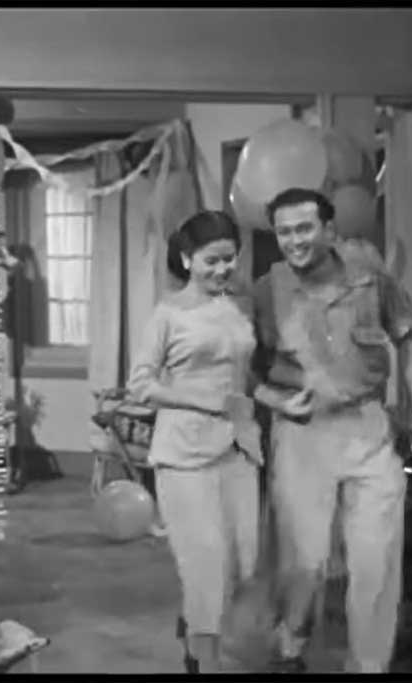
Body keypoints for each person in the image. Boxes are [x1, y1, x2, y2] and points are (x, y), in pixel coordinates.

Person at [251, 188, 412, 673]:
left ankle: (368, 664)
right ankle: (291, 643)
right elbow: (239, 368)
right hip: (302, 434)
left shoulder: (370, 278)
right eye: (284, 232)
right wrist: (272, 398)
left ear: (329, 230)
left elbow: (409, 336)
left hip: (368, 428)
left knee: (376, 562)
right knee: (305, 564)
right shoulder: (266, 291)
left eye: (304, 228)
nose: (294, 241)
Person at [127, 210, 262, 673]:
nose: (223, 269)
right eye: (212, 260)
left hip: (239, 450)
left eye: (230, 259)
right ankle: (205, 662)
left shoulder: (239, 307)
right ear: (187, 259)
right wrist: (203, 401)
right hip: (184, 456)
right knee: (207, 571)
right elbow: (140, 385)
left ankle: (192, 626)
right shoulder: (167, 315)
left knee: (244, 566)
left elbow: (247, 375)